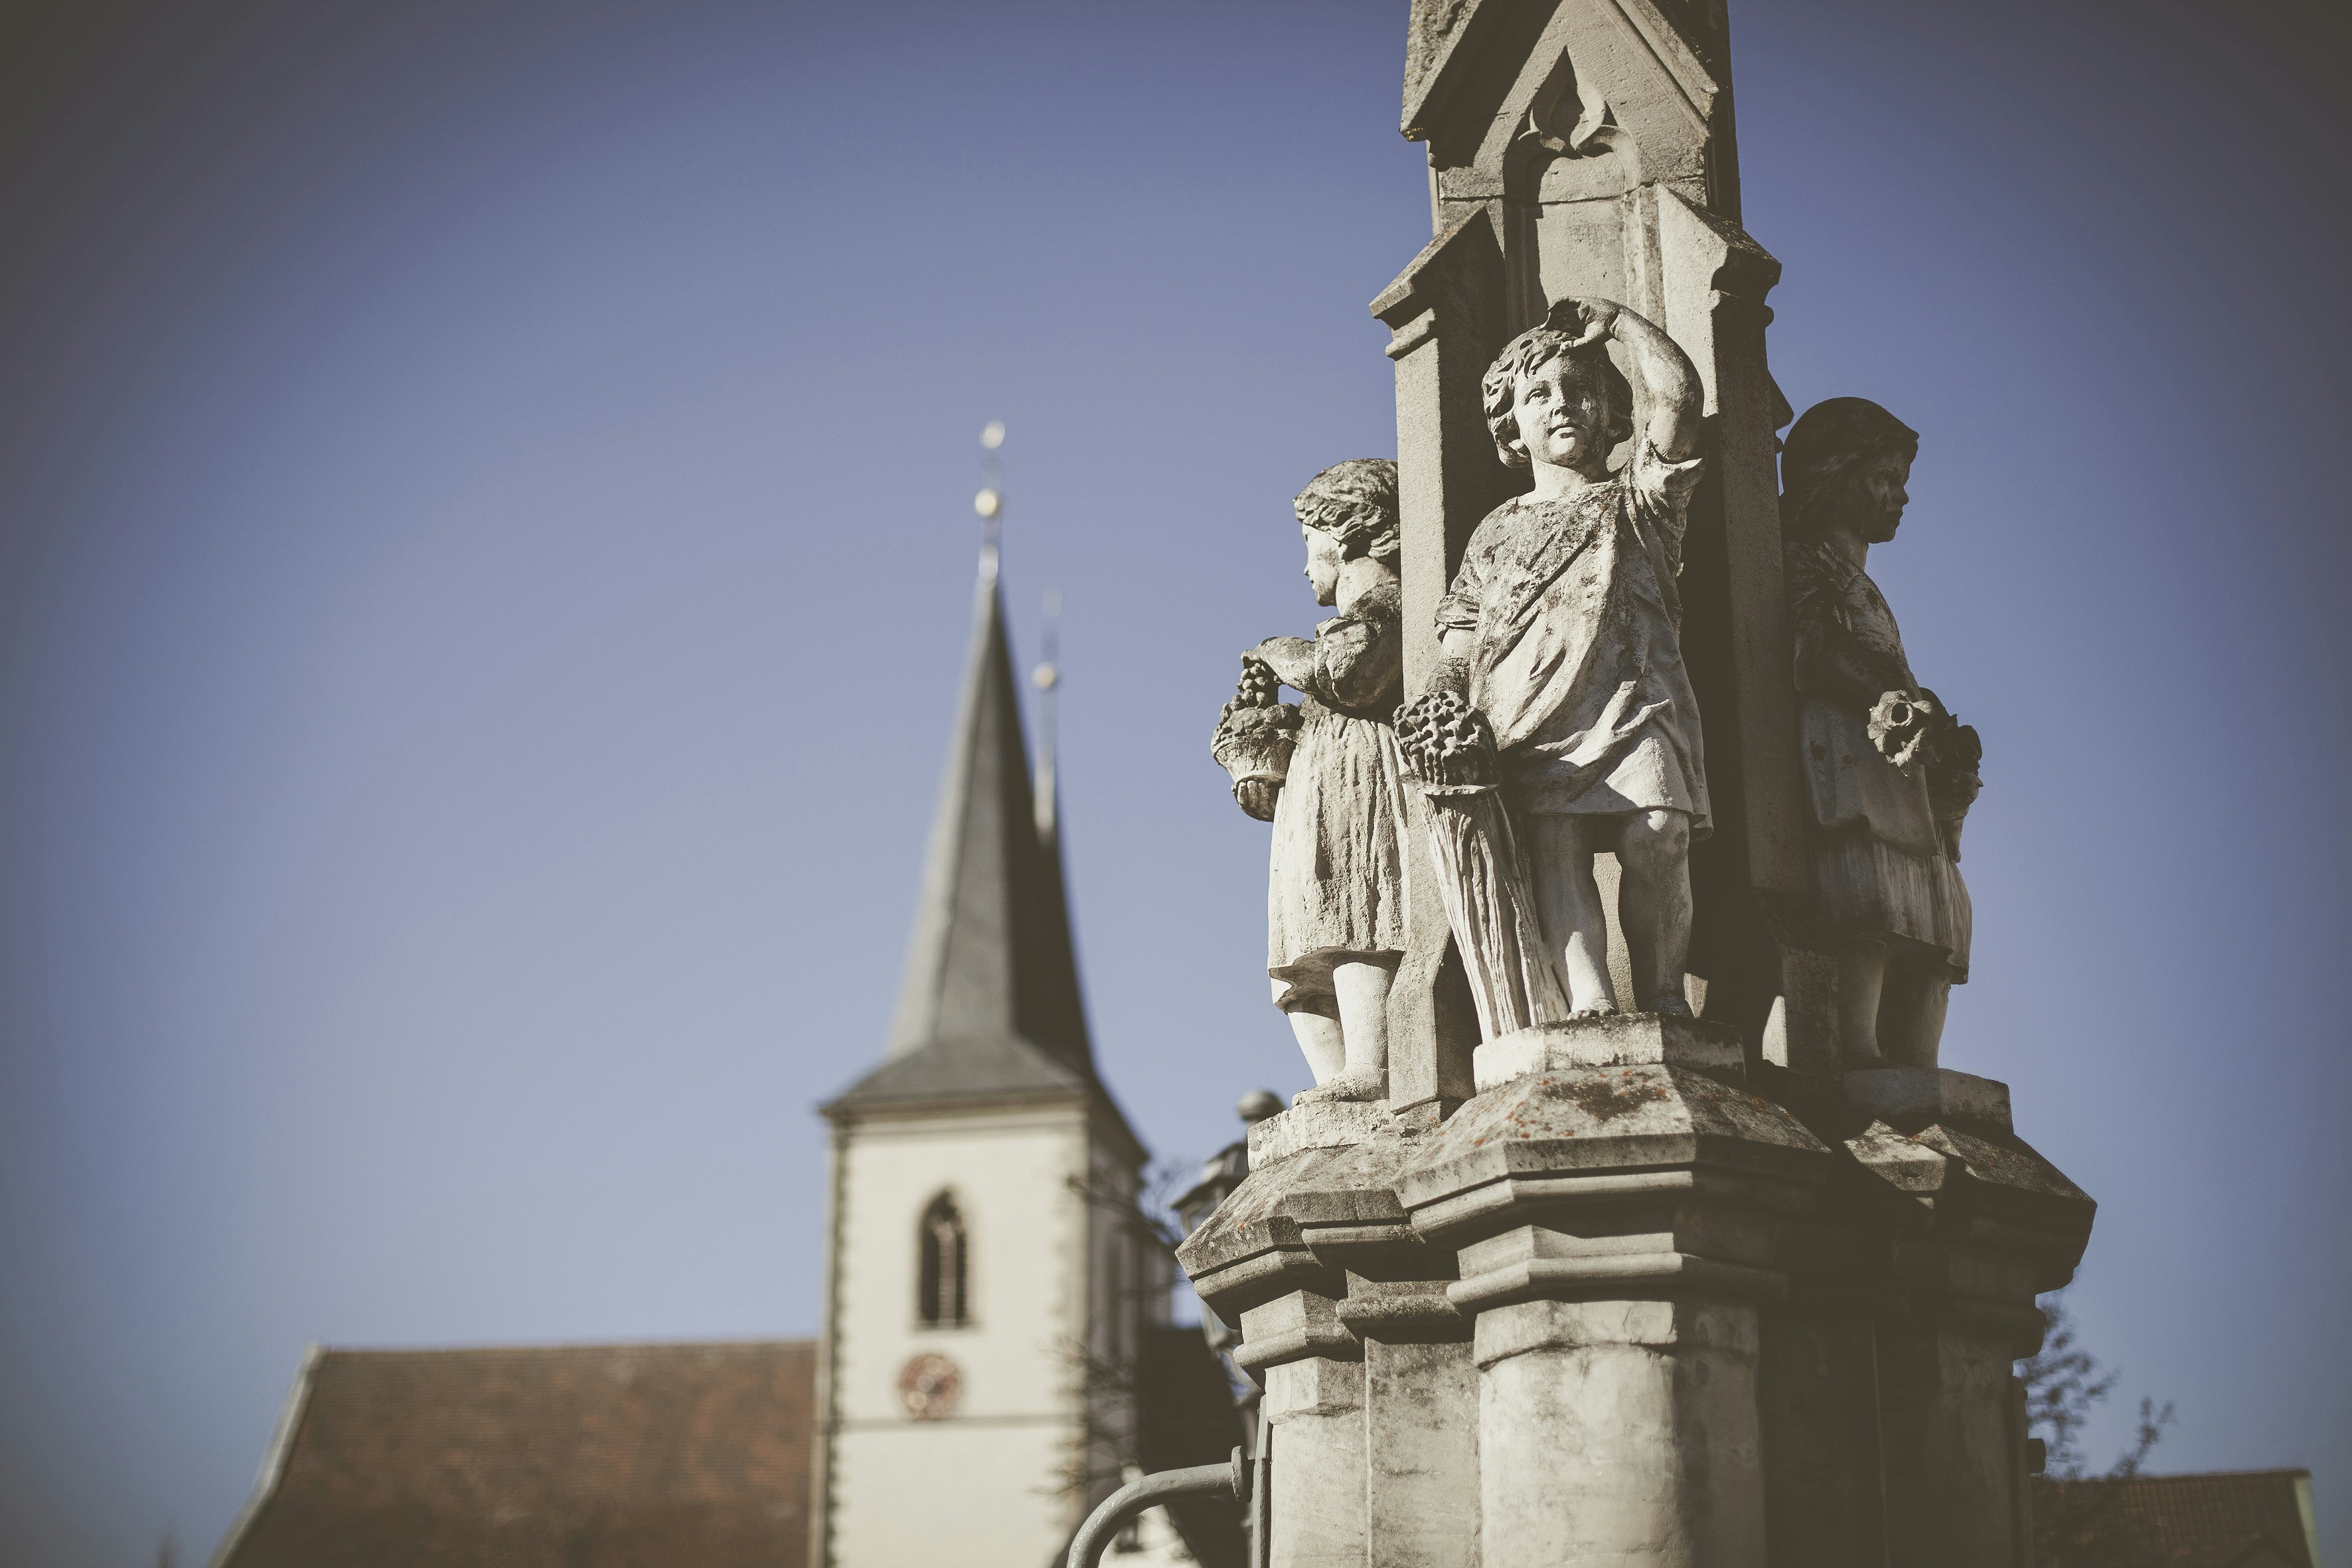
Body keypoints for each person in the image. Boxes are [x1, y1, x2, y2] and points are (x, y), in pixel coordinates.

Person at [1426, 295, 1708, 1018]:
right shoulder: (1494, 530)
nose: (1563, 406)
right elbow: (1460, 634)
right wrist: (1440, 702)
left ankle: (1667, 996)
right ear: (1510, 421)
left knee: (1661, 833)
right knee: (1557, 849)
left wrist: (1618, 324)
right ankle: (1591, 1002)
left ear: (1611, 411)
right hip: (1524, 712)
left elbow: (1678, 400)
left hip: (1632, 702)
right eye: (1538, 393)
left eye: (1582, 390)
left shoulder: (1639, 500)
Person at [1781, 397, 1977, 1067]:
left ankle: (1915, 1065)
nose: (1901, 496)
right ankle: (1859, 1054)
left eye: (1902, 480)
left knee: (1939, 921)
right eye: (1885, 478)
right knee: (1872, 906)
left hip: (1896, 771)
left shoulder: (1862, 584)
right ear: (1835, 477)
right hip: (1849, 760)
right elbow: (1810, 654)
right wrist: (1889, 695)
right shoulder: (1807, 562)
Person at [1229, 458, 1410, 1100]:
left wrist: (1276, 650)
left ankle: (1371, 1070)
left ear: (1351, 532)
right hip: (1316, 790)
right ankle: (1335, 1082)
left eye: (1312, 545)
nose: (1306, 566)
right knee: (1298, 955)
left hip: (1364, 777)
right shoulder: (1342, 621)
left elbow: (1351, 674)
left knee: (1355, 922)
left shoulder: (1391, 603)